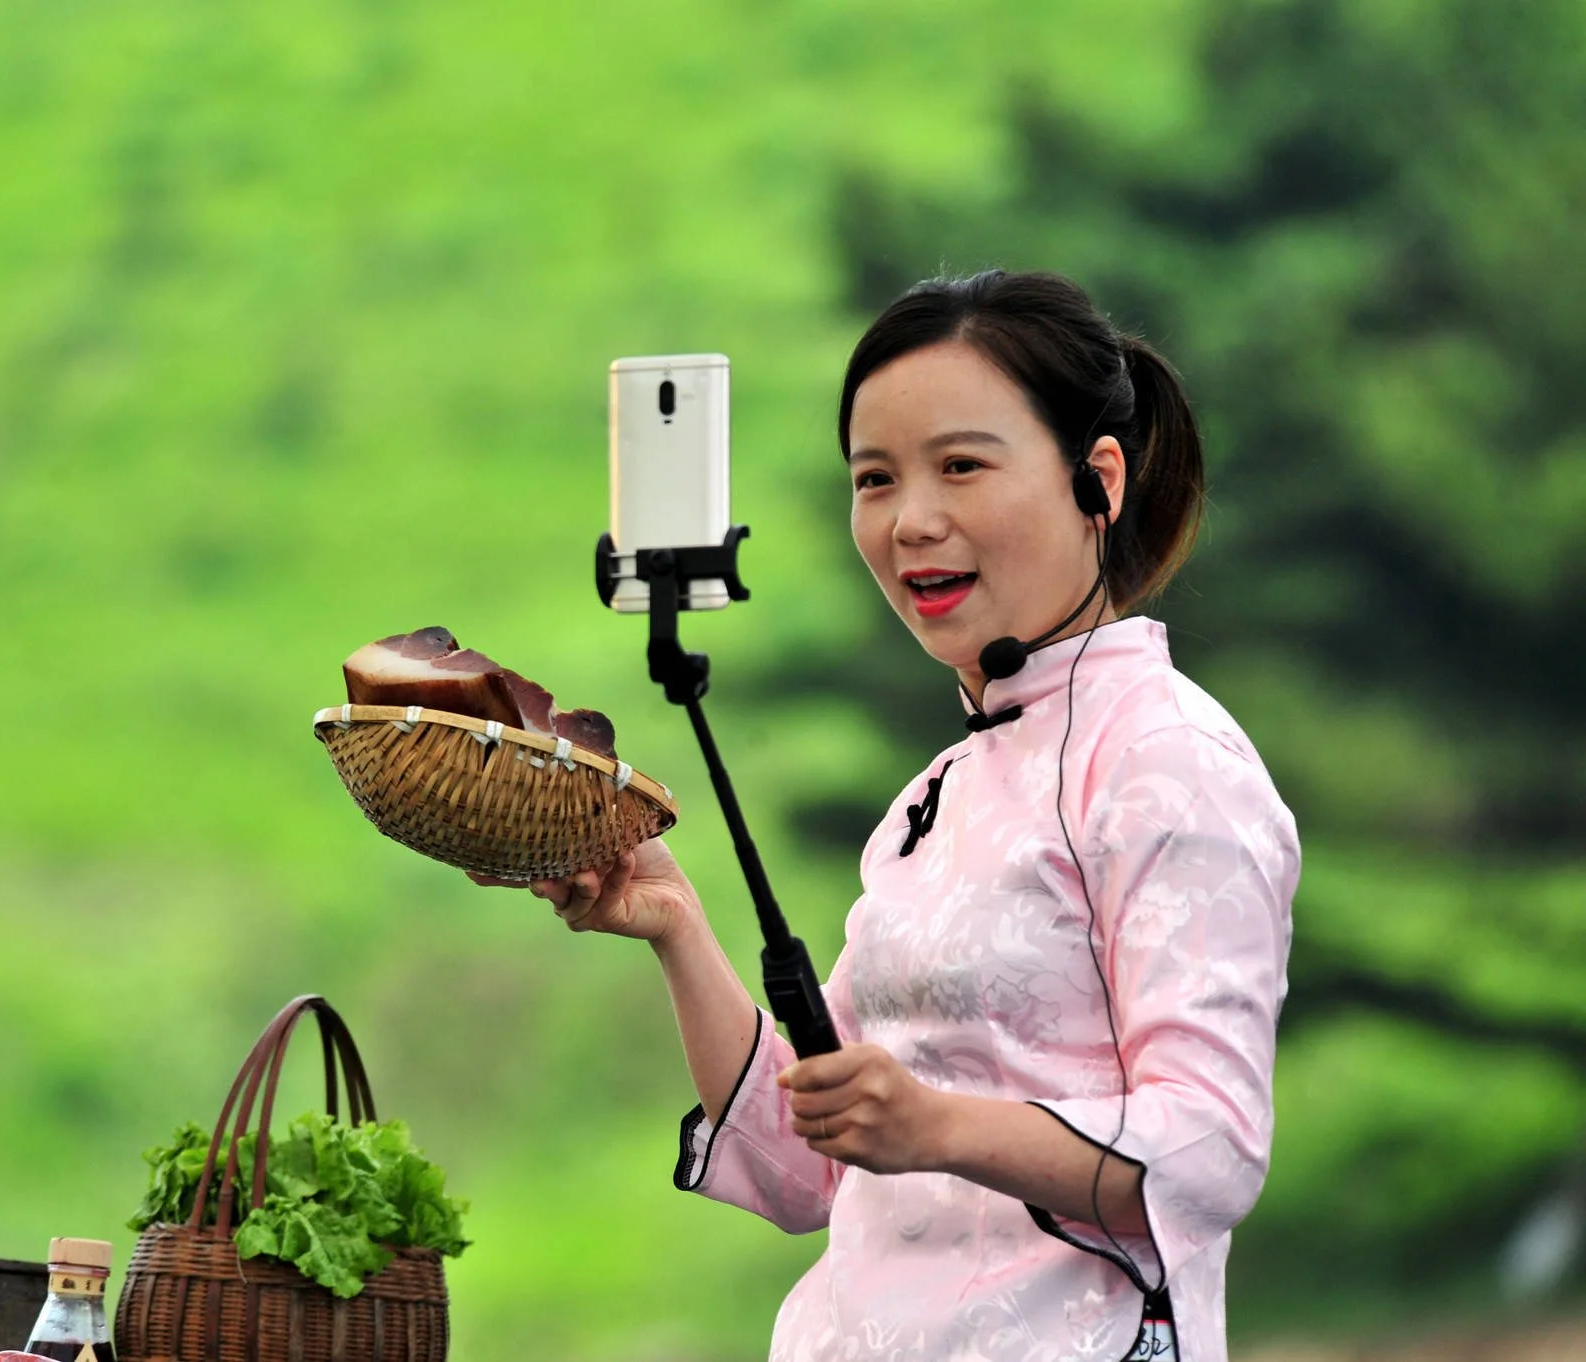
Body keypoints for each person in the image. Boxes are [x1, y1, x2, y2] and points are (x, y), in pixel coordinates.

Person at [472, 268, 1298, 1362]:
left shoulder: (1167, 761)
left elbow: (1207, 1149)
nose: (911, 521)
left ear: (1094, 481)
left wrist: (934, 1126)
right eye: (874, 479)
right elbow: (803, 1165)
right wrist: (673, 921)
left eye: (960, 465)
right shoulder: (936, 797)